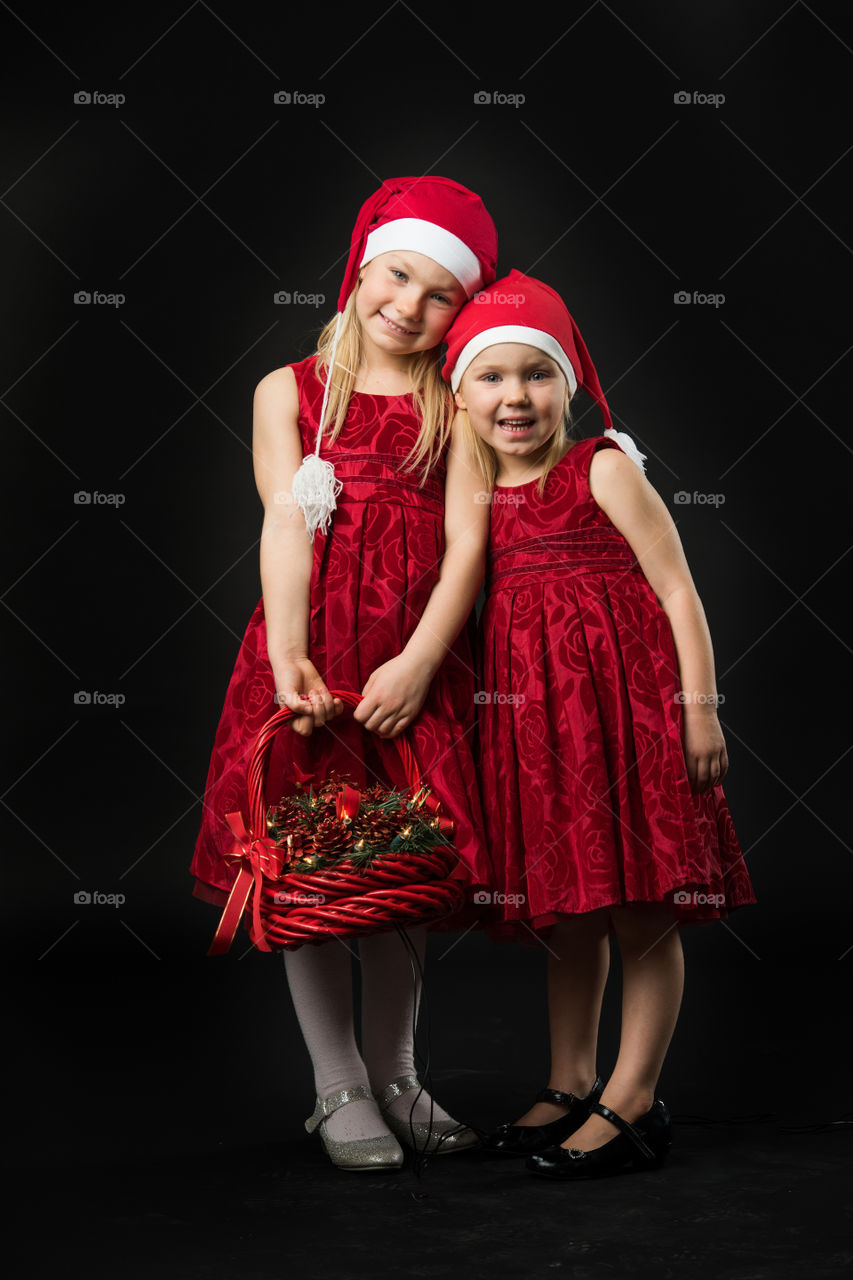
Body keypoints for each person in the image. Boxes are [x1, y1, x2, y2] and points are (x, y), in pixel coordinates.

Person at [190, 177, 498, 1171]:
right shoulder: (289, 391)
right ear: (362, 267)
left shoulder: (453, 401)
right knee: (318, 865)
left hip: (412, 664)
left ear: (462, 308)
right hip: (312, 658)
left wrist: (417, 659)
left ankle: (398, 1071)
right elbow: (286, 521)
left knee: (399, 872)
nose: (407, 306)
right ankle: (337, 1084)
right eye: (395, 277)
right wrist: (289, 654)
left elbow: (466, 550)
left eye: (437, 293)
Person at [442, 269, 756, 1180]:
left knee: (643, 910)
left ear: (567, 387)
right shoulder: (474, 499)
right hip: (542, 735)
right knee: (569, 914)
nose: (514, 397)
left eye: (535, 375)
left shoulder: (601, 469)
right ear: (460, 394)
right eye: (490, 377)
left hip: (631, 719)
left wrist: (699, 712)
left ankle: (632, 1099)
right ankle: (569, 1080)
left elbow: (678, 591)